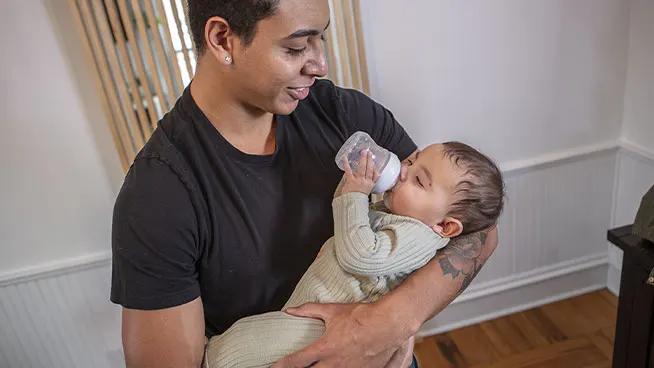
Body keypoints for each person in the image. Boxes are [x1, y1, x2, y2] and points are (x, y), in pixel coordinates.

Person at [109, 0, 499, 367]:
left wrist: (394, 320)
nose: (321, 64)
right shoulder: (159, 195)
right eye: (297, 47)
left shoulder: (344, 113)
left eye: (321, 38)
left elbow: (477, 230)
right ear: (223, 39)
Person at [204, 142, 505, 368]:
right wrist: (353, 185)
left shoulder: (420, 237)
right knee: (259, 346)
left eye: (418, 181)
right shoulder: (396, 213)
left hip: (333, 323)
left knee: (241, 346)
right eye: (410, 161)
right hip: (314, 307)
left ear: (445, 226)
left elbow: (361, 255)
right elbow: (348, 218)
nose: (402, 172)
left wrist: (356, 196)